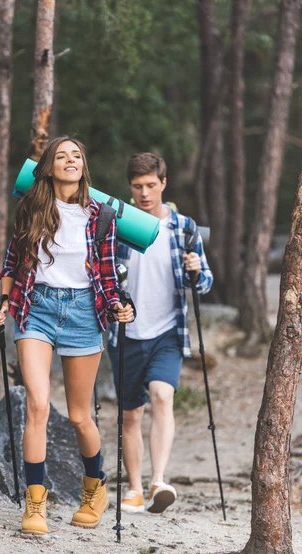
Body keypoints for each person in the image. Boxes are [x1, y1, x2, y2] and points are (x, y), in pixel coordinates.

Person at [0, 136, 134, 535]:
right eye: (61, 156)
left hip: (83, 313)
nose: (70, 161)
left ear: (83, 166)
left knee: (78, 416)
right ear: (49, 167)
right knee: (37, 405)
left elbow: (107, 274)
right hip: (34, 308)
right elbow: (11, 262)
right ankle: (34, 505)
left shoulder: (101, 216)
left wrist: (122, 305)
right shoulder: (31, 209)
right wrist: (2, 303)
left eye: (76, 156)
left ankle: (95, 488)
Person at [108, 152, 213, 514]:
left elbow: (205, 283)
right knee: (131, 414)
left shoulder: (183, 228)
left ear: (163, 184)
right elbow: (104, 275)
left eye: (151, 185)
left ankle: (159, 481)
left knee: (162, 396)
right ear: (130, 188)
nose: (144, 193)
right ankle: (135, 489)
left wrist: (197, 269)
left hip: (168, 331)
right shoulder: (119, 225)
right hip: (125, 334)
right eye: (137, 187)